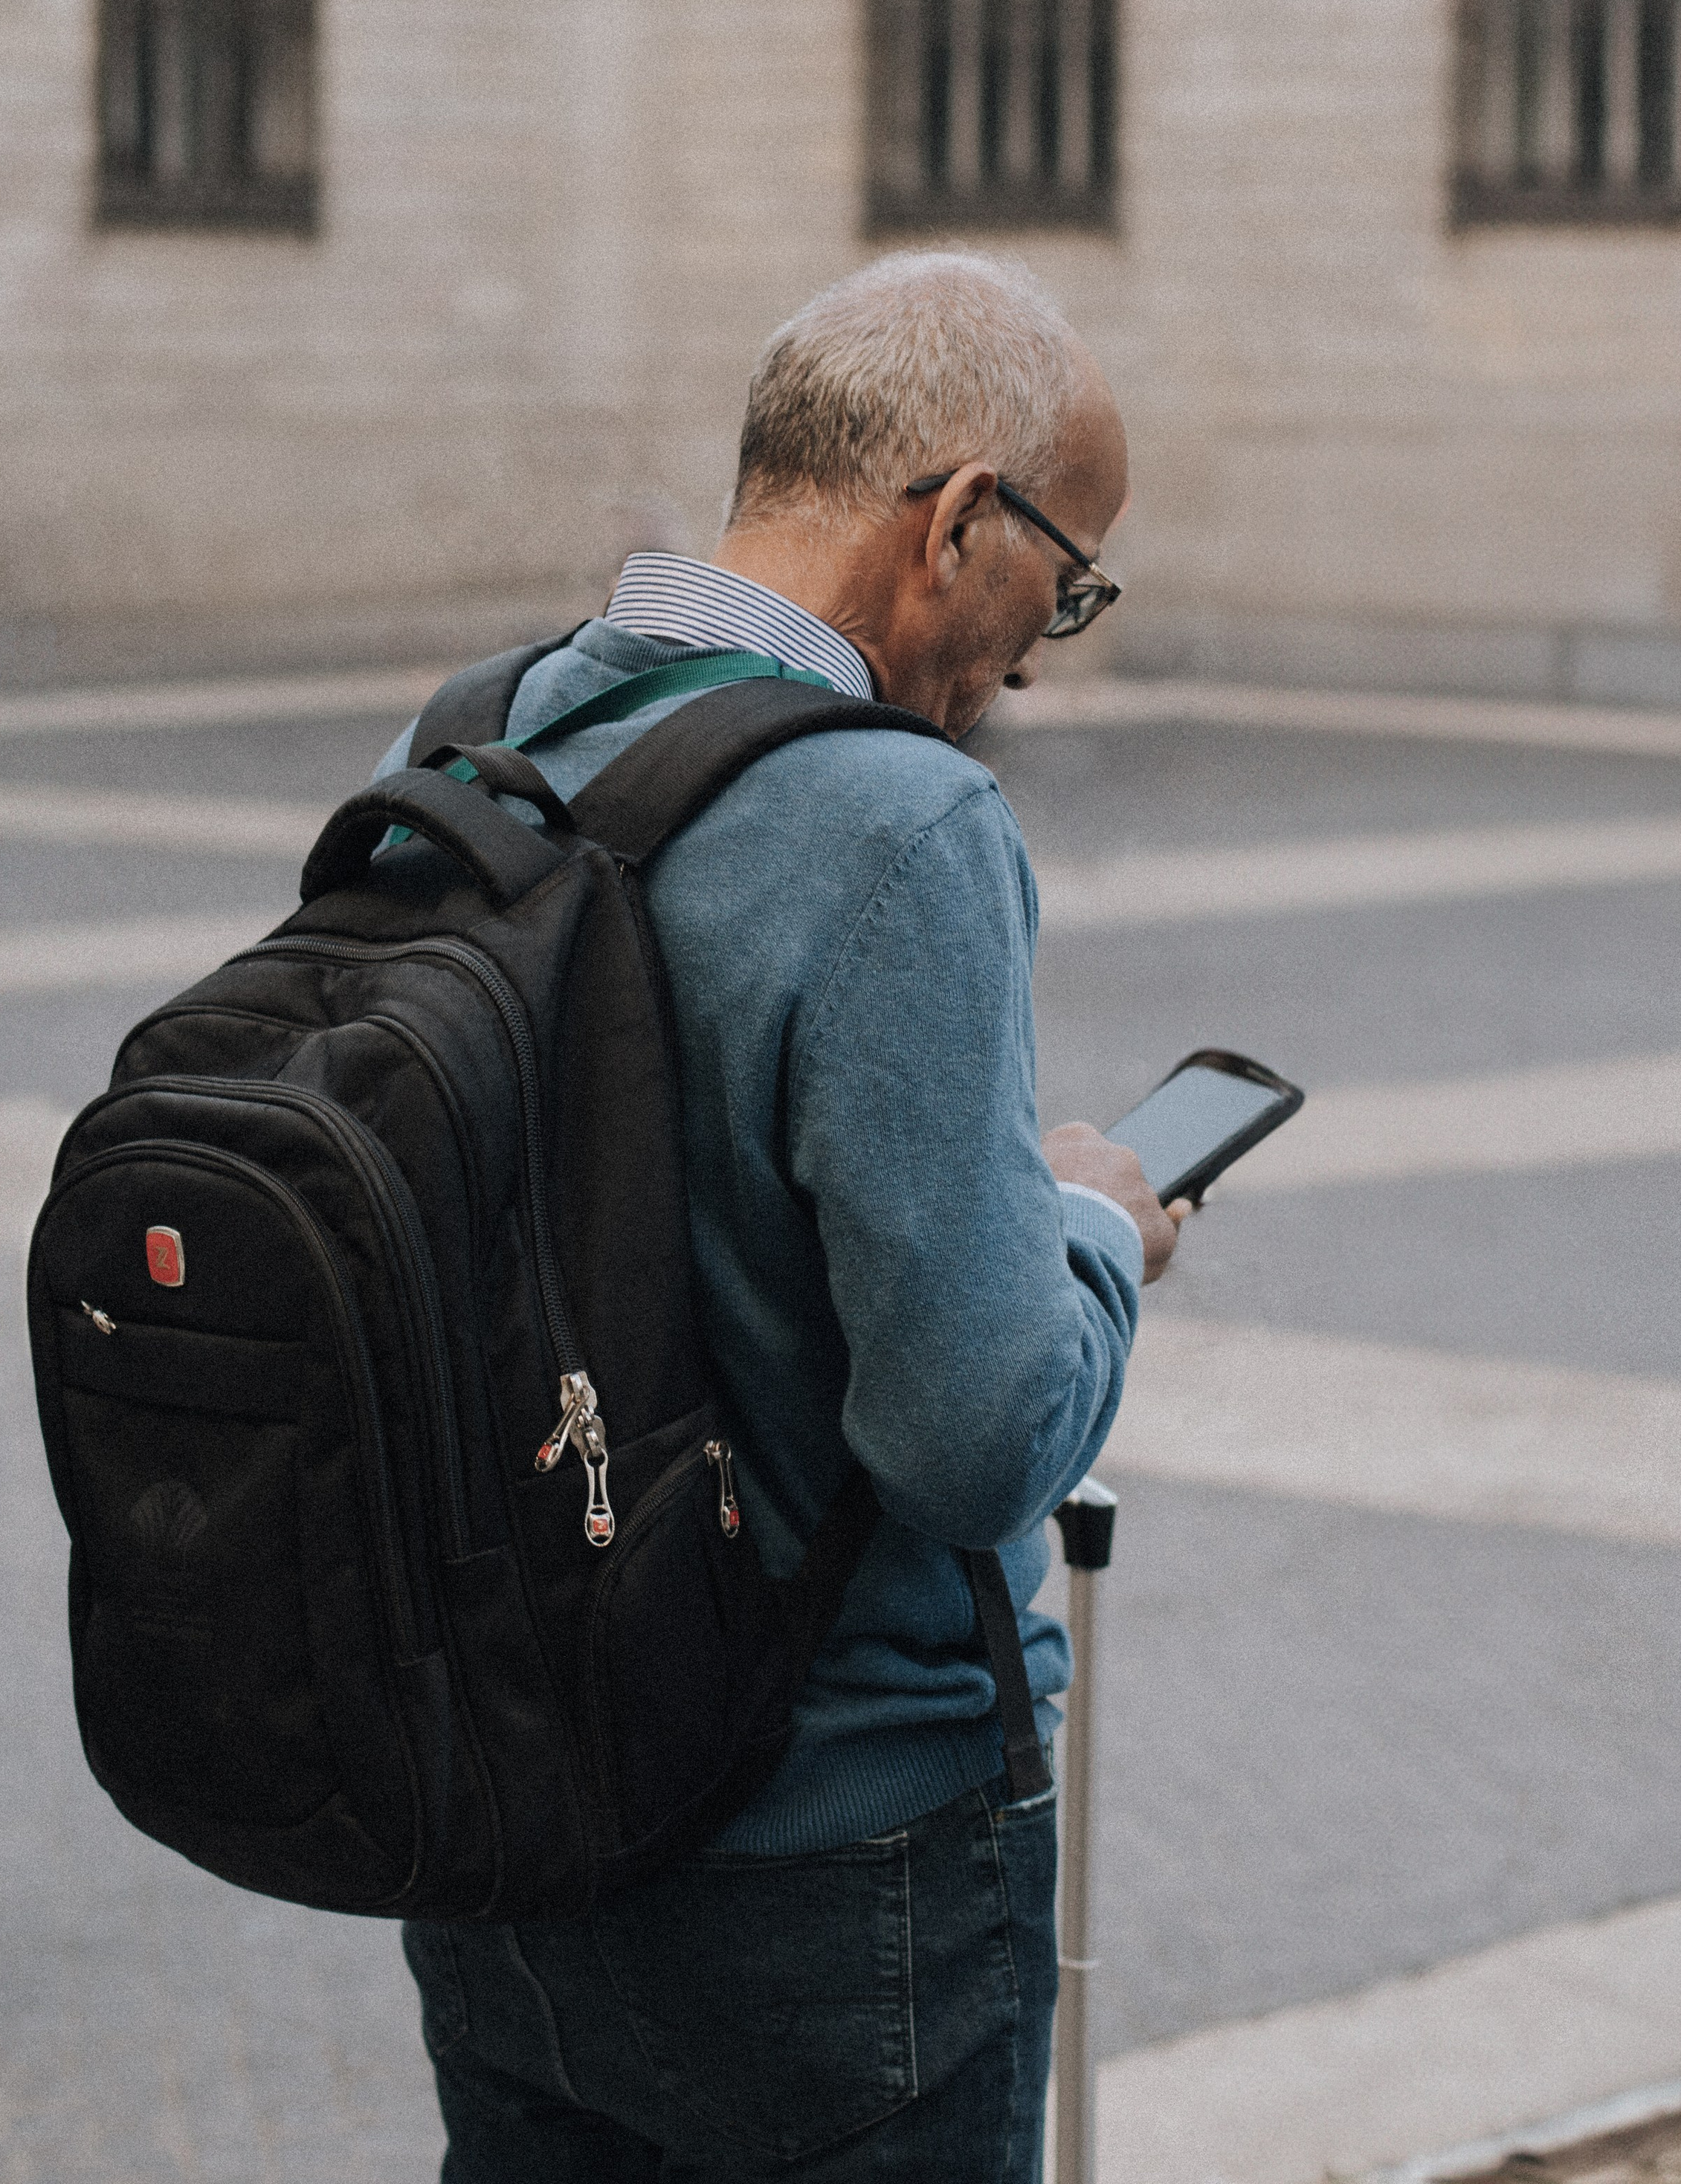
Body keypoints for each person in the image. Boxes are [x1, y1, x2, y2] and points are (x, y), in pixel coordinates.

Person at [396, 249, 1183, 2181]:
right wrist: (1091, 1226)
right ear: (960, 525)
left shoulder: (475, 738)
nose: (1025, 658)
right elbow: (968, 1431)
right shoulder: (895, 823)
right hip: (839, 1849)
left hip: (503, 1801)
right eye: (1059, 590)